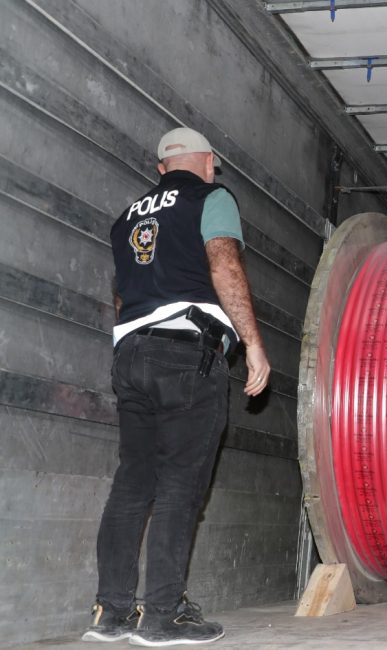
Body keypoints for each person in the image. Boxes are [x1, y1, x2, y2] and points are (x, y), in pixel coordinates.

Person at [83, 127, 270, 646]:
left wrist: (134, 348)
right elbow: (224, 262)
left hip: (132, 353)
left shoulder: (126, 219)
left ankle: (111, 613)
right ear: (209, 162)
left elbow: (122, 293)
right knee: (181, 485)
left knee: (133, 483)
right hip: (186, 351)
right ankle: (162, 614)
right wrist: (252, 342)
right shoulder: (212, 196)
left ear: (161, 169)